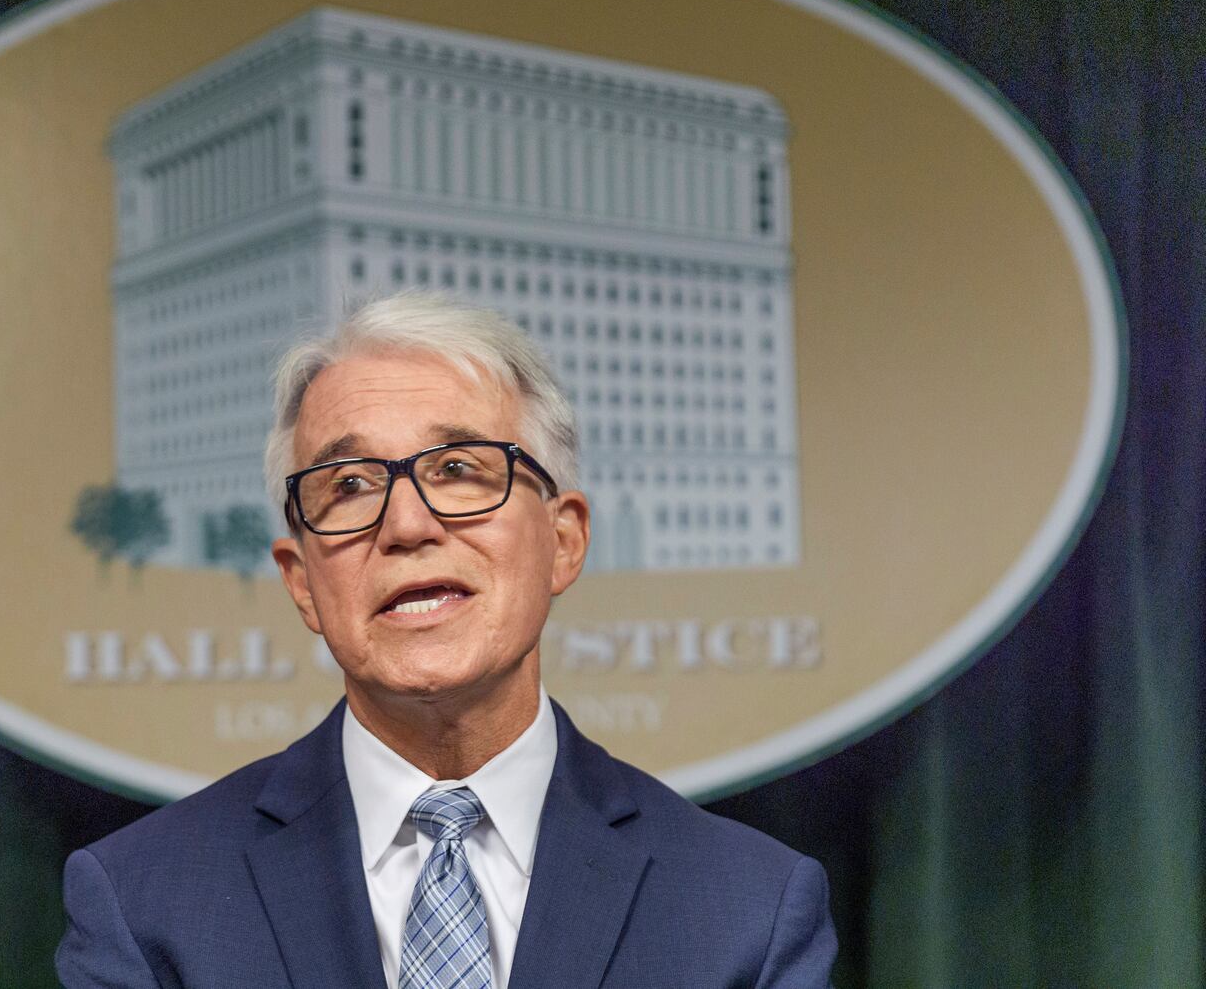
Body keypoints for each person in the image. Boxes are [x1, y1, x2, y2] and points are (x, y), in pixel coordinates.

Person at [57, 292, 836, 988]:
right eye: (349, 485)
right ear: (301, 582)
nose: (407, 525)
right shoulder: (143, 902)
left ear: (564, 541)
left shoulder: (747, 911)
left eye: (459, 468)